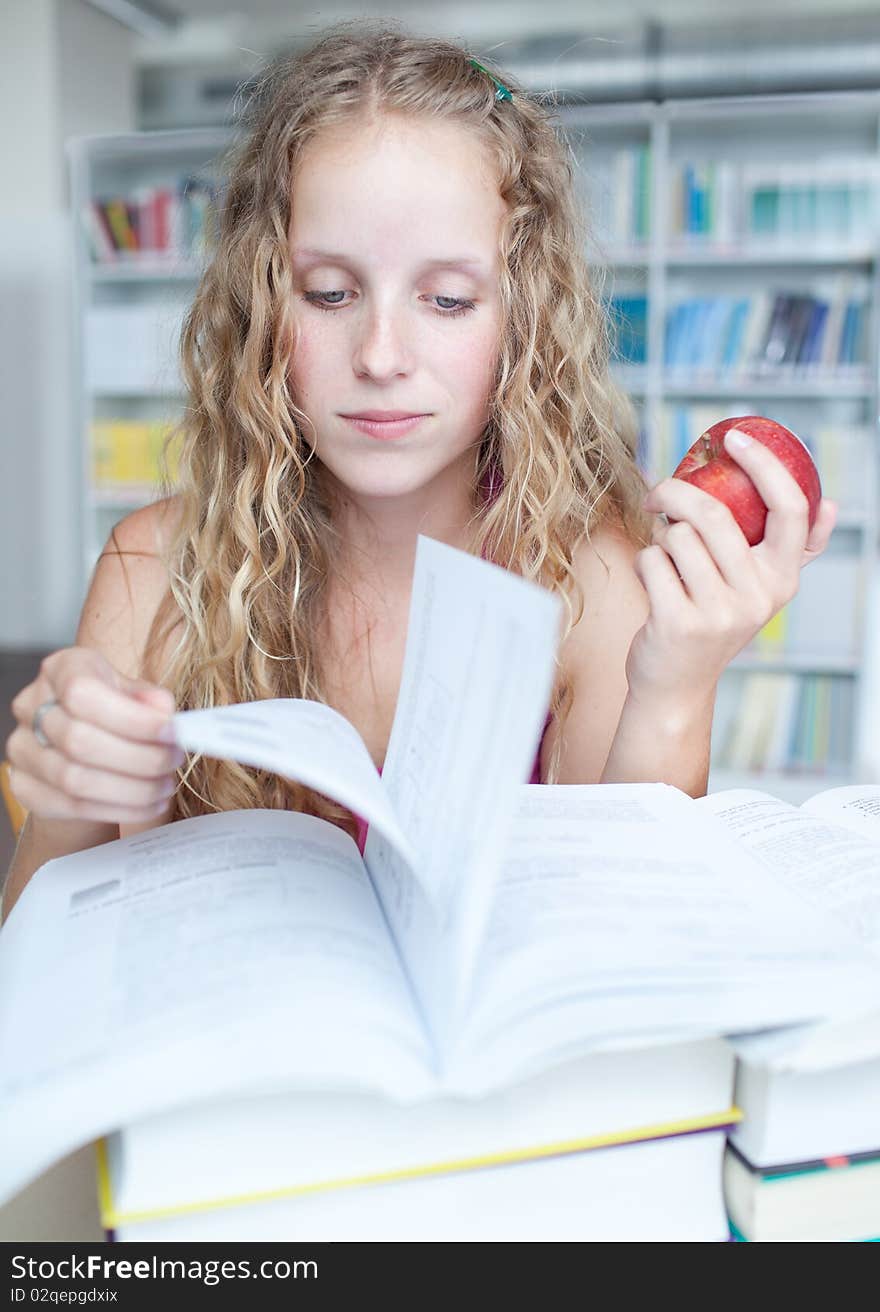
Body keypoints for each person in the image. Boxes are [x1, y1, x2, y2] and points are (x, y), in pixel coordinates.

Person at [2, 22, 837, 923]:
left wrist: (677, 683)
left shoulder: (597, 577)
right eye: (329, 293)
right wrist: (68, 800)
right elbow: (36, 959)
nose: (382, 354)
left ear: (523, 319)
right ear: (257, 301)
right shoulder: (153, 569)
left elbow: (635, 947)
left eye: (446, 299)